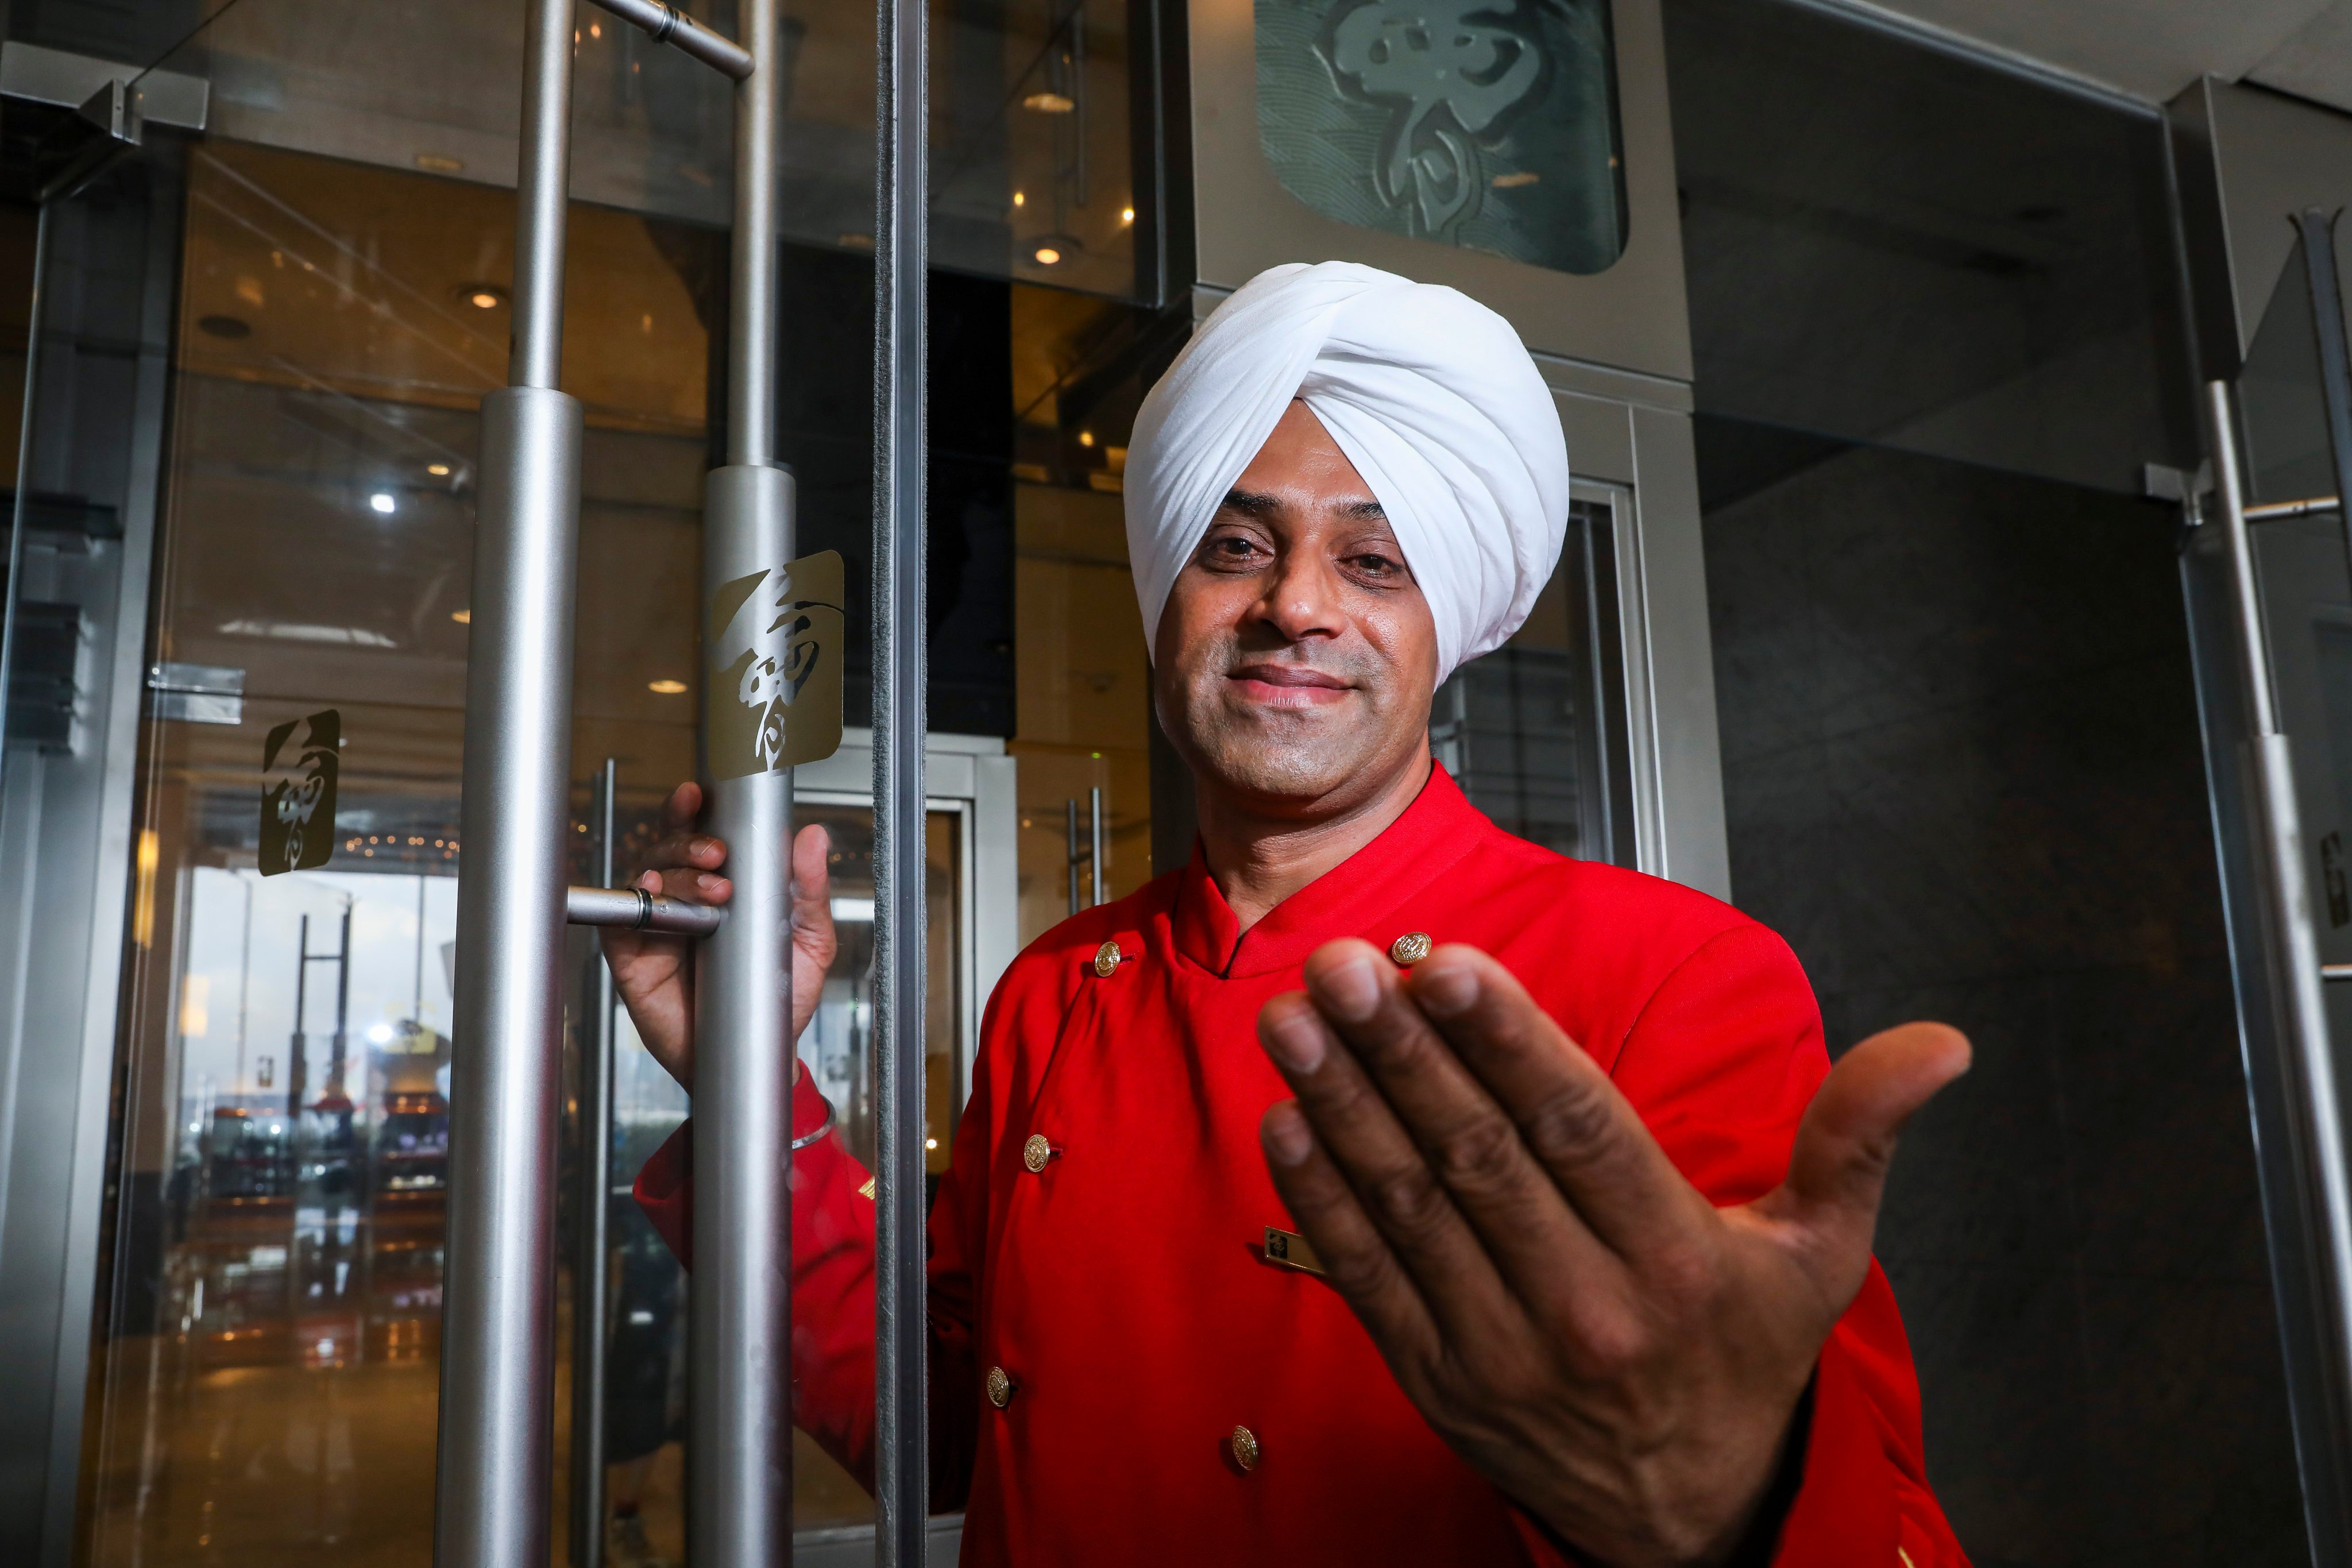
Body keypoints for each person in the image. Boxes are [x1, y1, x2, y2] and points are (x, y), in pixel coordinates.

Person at [607, 260, 1972, 1566]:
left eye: (1374, 563)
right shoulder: (1056, 983)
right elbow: (952, 1435)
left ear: (1447, 623)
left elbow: (1861, 1514)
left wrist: (1726, 1499)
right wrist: (745, 1087)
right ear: (1164, 602)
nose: (1295, 605)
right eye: (1236, 544)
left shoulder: (1668, 974)